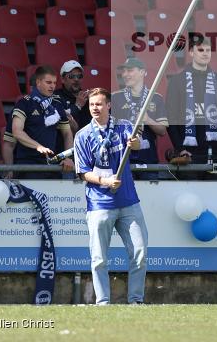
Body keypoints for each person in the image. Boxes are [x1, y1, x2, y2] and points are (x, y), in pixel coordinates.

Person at [74, 88, 147, 305]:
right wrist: (104, 181)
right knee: (99, 258)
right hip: (99, 203)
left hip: (128, 201)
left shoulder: (124, 127)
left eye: (98, 104)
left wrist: (135, 144)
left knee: (140, 253)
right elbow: (83, 172)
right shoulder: (83, 135)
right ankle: (103, 303)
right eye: (91, 105)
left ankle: (136, 301)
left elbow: (136, 143)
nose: (94, 108)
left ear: (108, 105)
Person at [165, 39, 217, 173]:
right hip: (188, 153)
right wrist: (180, 148)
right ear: (191, 52)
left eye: (208, 50)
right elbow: (171, 118)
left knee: (216, 193)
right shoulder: (177, 80)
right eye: (200, 50)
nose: (205, 54)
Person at [4, 66, 74, 179]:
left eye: (55, 83)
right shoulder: (24, 104)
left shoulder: (56, 104)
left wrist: (68, 158)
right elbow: (16, 133)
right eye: (48, 82)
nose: (52, 86)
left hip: (52, 165)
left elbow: (67, 133)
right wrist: (38, 146)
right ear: (38, 82)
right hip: (28, 166)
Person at [112, 58, 168, 181]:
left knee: (150, 198)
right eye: (124, 71)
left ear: (143, 72)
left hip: (148, 159)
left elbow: (162, 131)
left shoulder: (155, 98)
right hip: (122, 160)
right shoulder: (115, 97)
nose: (125, 74)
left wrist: (148, 120)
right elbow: (108, 131)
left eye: (130, 70)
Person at [58, 60, 92, 133]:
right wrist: (77, 106)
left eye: (79, 76)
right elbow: (59, 118)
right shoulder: (56, 97)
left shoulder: (88, 97)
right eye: (71, 76)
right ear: (63, 79)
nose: (76, 79)